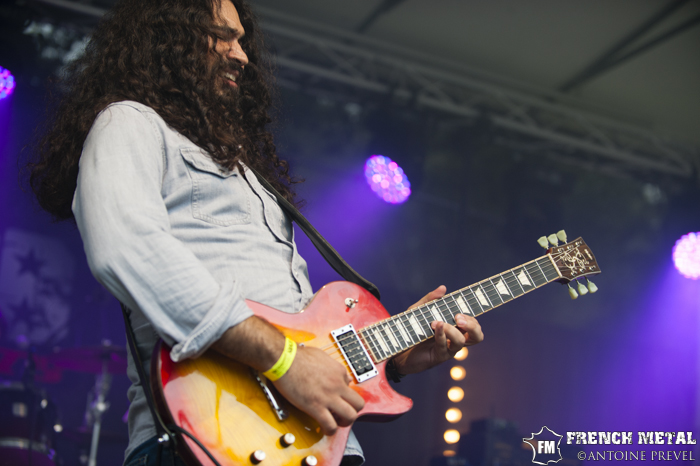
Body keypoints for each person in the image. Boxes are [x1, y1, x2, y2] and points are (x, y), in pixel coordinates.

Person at [27, 0, 484, 464]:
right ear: (168, 40)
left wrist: (392, 358)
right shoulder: (130, 121)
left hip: (322, 444)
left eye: (242, 40)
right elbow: (126, 249)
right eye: (223, 35)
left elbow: (306, 333)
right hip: (204, 438)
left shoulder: (249, 172)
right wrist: (284, 360)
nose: (242, 55)